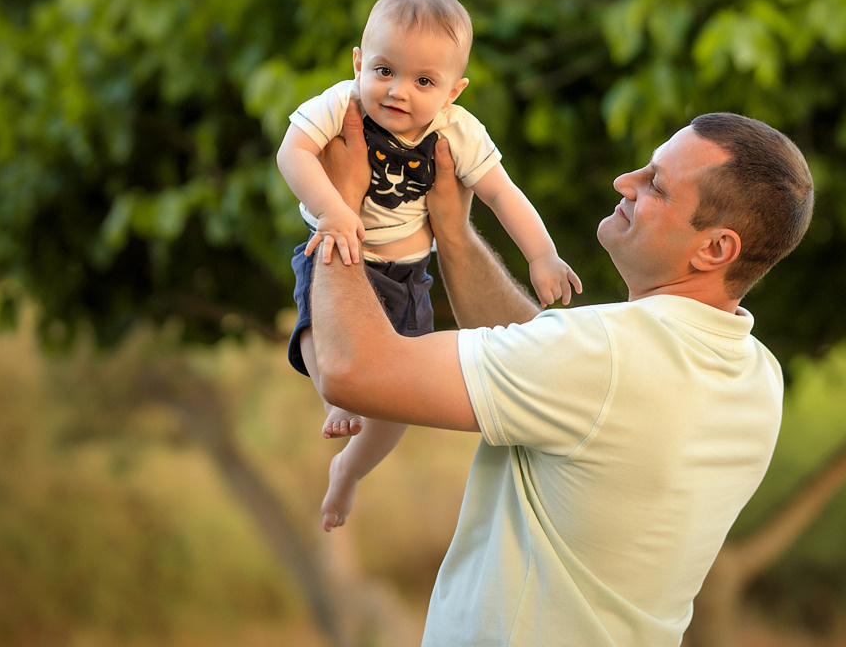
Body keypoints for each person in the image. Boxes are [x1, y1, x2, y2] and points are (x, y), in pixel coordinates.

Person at [310, 107, 815, 646]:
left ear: (714, 248)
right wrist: (454, 235)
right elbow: (549, 367)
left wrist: (337, 208)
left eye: (657, 186)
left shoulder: (601, 357)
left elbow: (353, 371)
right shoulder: (758, 376)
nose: (626, 182)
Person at [277, 0, 581, 531]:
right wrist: (332, 209)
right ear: (357, 62)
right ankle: (335, 400)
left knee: (399, 403)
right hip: (338, 246)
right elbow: (291, 152)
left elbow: (501, 194)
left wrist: (542, 255)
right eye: (383, 70)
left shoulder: (457, 131)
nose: (397, 91)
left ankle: (350, 469)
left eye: (423, 81)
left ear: (453, 91)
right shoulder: (341, 103)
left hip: (408, 274)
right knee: (315, 331)